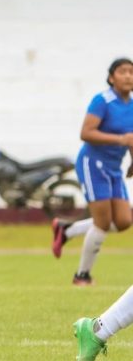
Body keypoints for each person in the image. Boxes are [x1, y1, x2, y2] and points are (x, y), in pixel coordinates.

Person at [51, 58, 133, 286]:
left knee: (125, 221)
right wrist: (120, 139)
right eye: (122, 71)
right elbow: (86, 133)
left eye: (131, 72)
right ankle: (82, 276)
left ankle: (66, 230)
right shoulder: (102, 101)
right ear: (111, 77)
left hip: (114, 169)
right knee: (102, 223)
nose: (128, 76)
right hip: (92, 164)